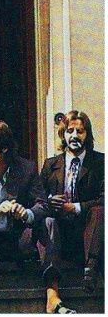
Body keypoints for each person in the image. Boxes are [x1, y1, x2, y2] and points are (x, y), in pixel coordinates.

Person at [0, 120, 76, 314]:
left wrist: (26, 213)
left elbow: (43, 205)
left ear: (3, 149)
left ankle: (53, 295)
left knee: (49, 222)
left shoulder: (26, 168)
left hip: (19, 242)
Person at [37, 110, 104, 295]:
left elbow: (104, 197)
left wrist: (75, 207)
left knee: (100, 211)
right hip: (59, 232)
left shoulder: (100, 163)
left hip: (89, 232)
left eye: (80, 131)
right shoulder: (50, 165)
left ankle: (91, 270)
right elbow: (37, 196)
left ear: (87, 135)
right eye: (70, 131)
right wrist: (51, 201)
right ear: (63, 134)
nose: (74, 136)